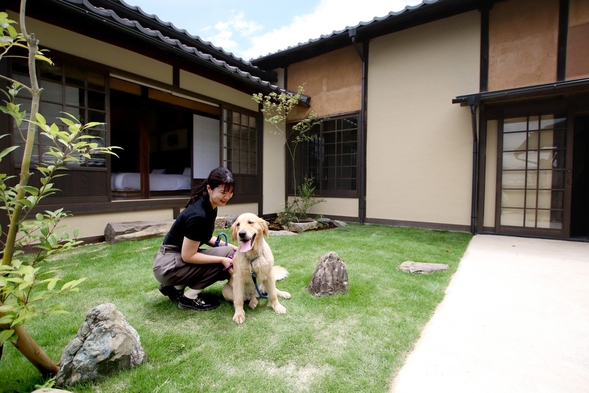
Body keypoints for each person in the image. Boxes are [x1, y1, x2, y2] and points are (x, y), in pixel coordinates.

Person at [153, 167, 237, 311]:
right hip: (169, 265)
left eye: (230, 192)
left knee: (228, 251)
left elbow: (206, 237)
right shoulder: (199, 215)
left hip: (172, 258)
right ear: (209, 188)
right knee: (223, 262)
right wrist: (222, 259)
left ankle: (174, 288)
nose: (227, 197)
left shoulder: (210, 206)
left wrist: (233, 247)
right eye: (223, 192)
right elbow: (188, 255)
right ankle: (189, 298)